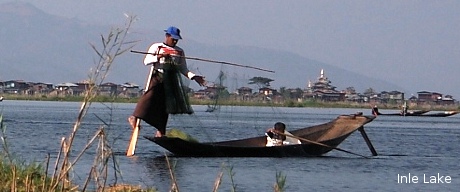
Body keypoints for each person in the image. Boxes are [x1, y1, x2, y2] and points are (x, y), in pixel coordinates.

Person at [128, 26, 206, 137]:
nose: (174, 41)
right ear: (167, 36)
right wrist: (158, 57)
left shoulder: (179, 51)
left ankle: (160, 130)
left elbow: (183, 69)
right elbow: (146, 61)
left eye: (176, 39)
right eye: (173, 38)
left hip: (169, 82)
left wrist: (194, 77)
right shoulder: (157, 47)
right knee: (148, 98)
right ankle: (134, 117)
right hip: (157, 77)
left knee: (164, 107)